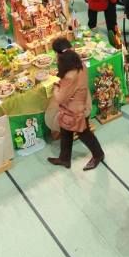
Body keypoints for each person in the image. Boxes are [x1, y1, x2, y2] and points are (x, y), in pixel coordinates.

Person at [46, 38, 105, 170]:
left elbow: (60, 98)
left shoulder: (69, 76)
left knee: (84, 134)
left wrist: (56, 87)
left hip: (75, 111)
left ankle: (98, 154)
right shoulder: (80, 64)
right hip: (82, 104)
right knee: (65, 131)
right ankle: (64, 158)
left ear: (59, 54)